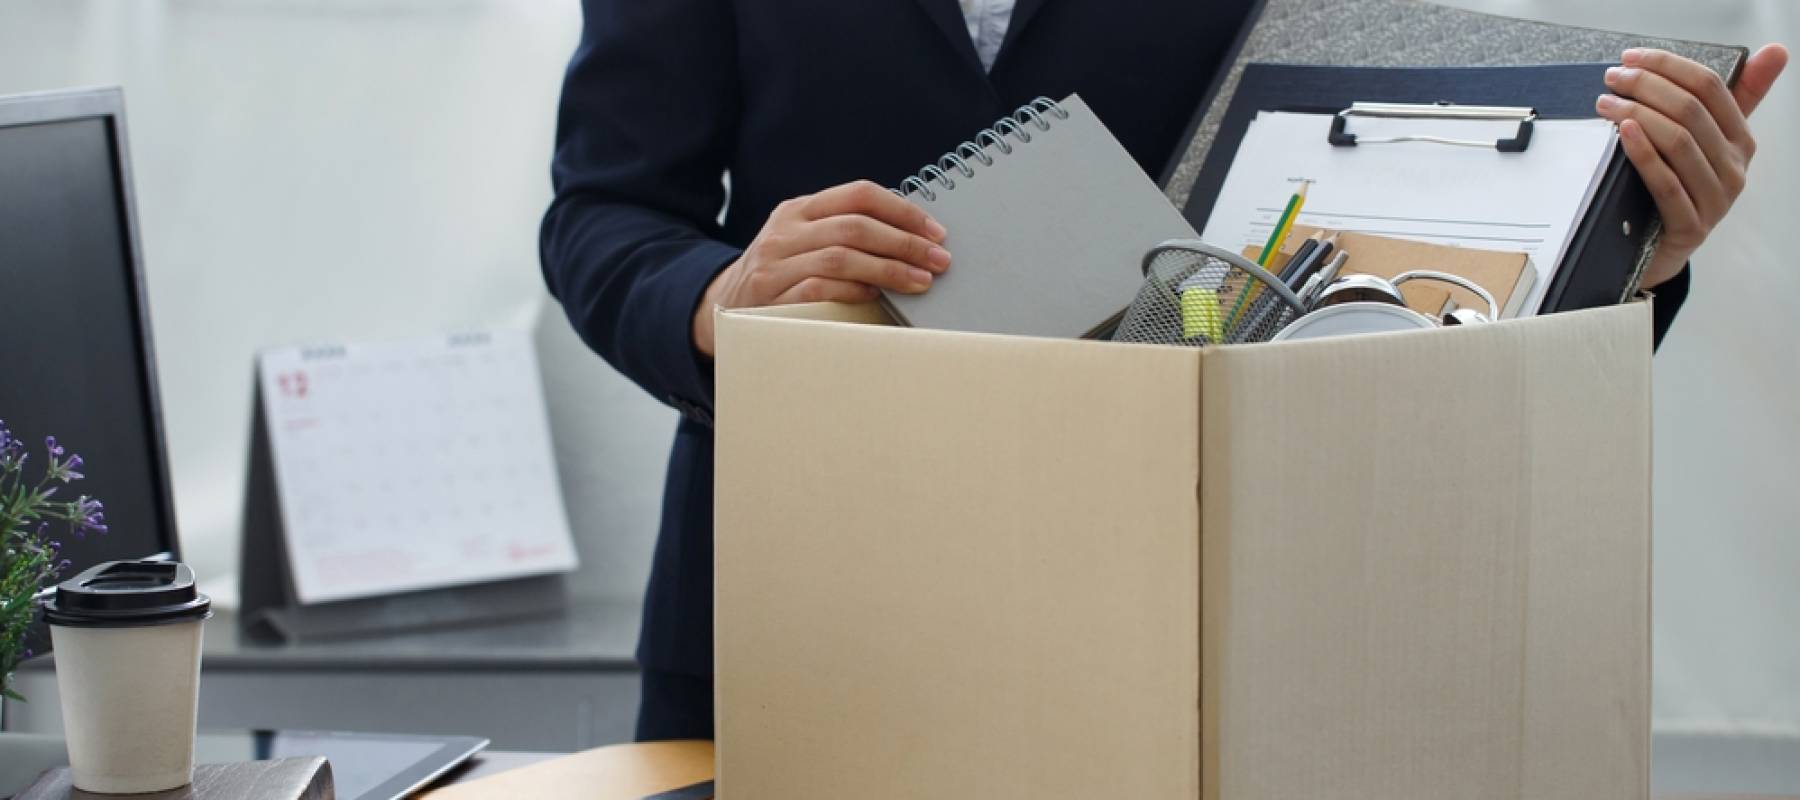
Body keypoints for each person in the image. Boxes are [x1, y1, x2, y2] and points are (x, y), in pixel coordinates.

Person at [539, 0, 1787, 741]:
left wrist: (1627, 248)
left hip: (1166, 608)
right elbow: (601, 209)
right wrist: (712, 296)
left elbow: (1344, 250)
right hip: (783, 587)